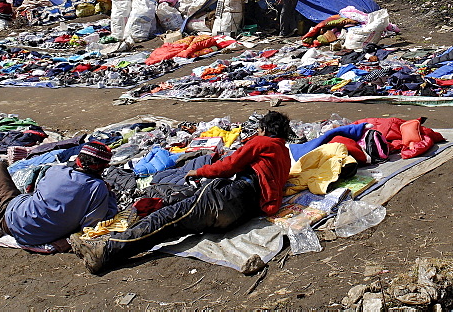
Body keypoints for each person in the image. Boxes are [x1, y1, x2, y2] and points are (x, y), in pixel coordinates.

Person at [70, 111, 293, 274]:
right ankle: (109, 246)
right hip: (243, 212)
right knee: (172, 223)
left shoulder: (263, 142)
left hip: (228, 199)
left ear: (264, 129)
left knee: (163, 220)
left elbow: (228, 166)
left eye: (259, 128)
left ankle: (105, 250)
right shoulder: (283, 153)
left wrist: (199, 171)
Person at [0, 141, 118, 248]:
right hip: (44, 236)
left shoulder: (56, 171)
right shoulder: (98, 189)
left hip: (13, 221)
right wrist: (109, 196)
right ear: (102, 167)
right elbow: (93, 224)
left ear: (78, 160)